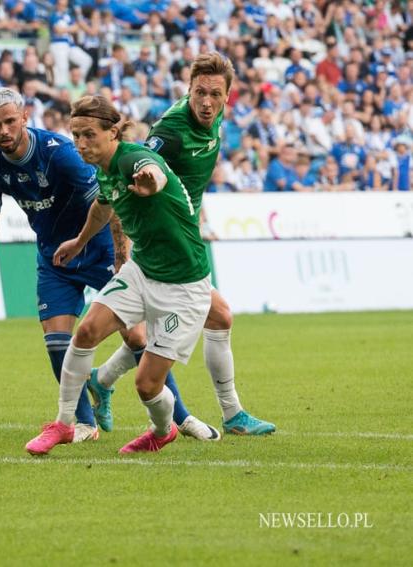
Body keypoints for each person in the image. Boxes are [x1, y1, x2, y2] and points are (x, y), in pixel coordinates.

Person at [90, 52, 276, 436]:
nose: (207, 103)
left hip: (182, 234)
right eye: (199, 93)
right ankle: (231, 415)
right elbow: (132, 171)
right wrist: (122, 249)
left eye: (215, 95)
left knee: (194, 324)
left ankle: (102, 380)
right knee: (210, 319)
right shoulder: (171, 131)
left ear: (227, 96)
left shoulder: (216, 116)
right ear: (188, 90)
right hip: (165, 243)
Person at [25, 95, 212, 455]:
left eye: (89, 134)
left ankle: (163, 430)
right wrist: (79, 242)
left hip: (183, 285)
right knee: (87, 331)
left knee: (147, 385)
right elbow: (102, 204)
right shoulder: (103, 168)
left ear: (113, 132)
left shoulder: (131, 159)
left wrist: (150, 182)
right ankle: (65, 423)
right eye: (75, 135)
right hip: (143, 270)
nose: (81, 143)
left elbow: (153, 171)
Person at [0, 87, 120, 443]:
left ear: (25, 117)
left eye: (10, 121)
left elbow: (108, 202)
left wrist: (121, 257)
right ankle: (84, 424)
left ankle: (167, 411)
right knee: (57, 343)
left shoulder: (62, 155)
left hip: (98, 248)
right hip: (54, 257)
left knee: (138, 336)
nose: (3, 130)